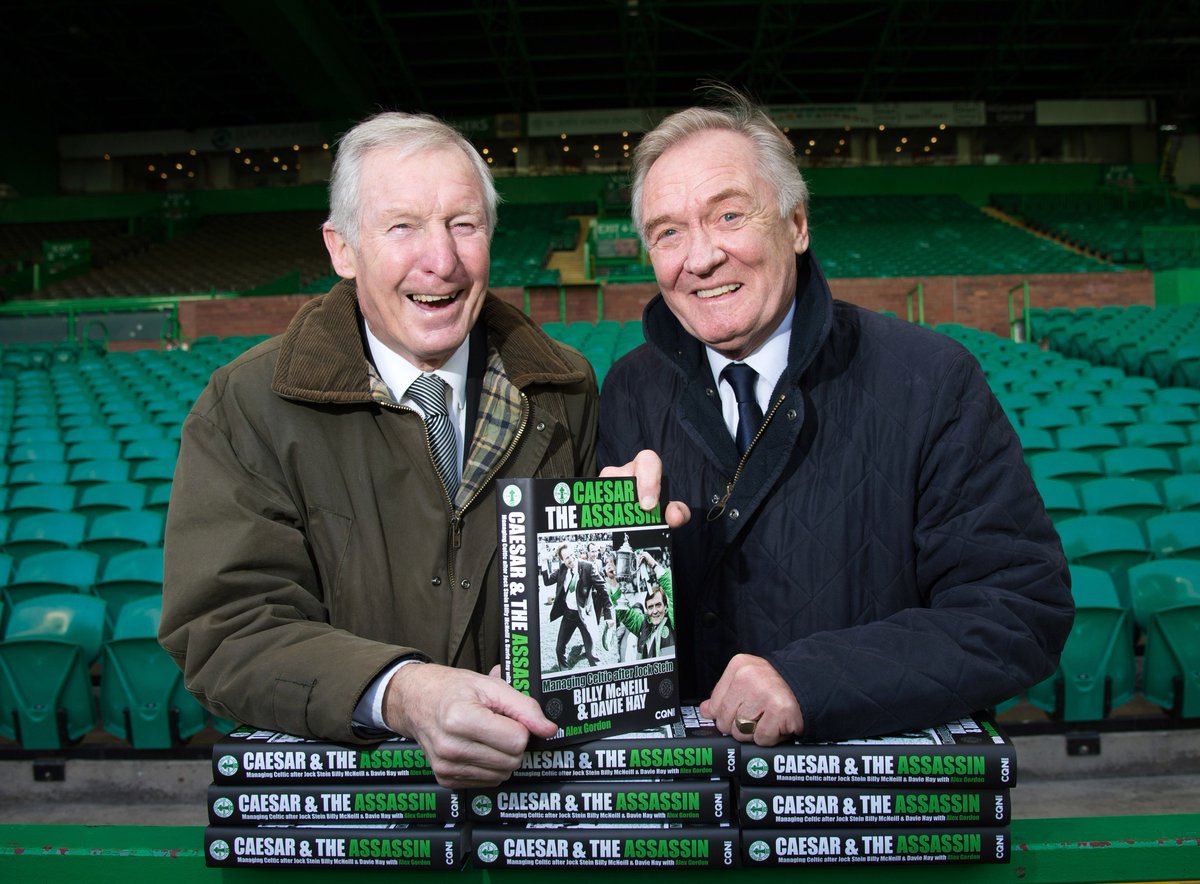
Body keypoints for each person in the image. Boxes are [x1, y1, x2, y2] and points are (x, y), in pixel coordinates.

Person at [158, 110, 674, 789]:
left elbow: (576, 621)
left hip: (533, 796)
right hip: (355, 814)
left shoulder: (565, 389)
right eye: (402, 226)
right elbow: (225, 629)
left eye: (464, 224)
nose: (441, 259)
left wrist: (626, 536)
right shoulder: (248, 404)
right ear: (342, 249)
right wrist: (402, 692)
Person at [597, 87, 1073, 746]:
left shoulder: (930, 379)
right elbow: (614, 631)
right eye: (668, 232)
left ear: (796, 225)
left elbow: (1017, 612)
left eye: (729, 215)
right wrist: (607, 558)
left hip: (865, 809)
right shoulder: (628, 390)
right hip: (688, 809)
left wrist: (811, 682)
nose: (699, 257)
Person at [541, 542, 614, 669]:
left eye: (571, 555)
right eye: (566, 558)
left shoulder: (588, 567)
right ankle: (564, 673)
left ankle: (600, 676)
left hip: (585, 617)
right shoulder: (562, 570)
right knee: (559, 649)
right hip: (569, 615)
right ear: (562, 560)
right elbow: (547, 581)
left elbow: (604, 590)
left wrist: (608, 614)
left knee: (591, 654)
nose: (571, 559)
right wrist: (542, 561)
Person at [637, 585, 675, 660]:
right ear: (647, 610)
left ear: (665, 606)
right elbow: (626, 615)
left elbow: (670, 589)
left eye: (658, 605)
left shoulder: (672, 621)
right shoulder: (643, 625)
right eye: (650, 607)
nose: (654, 611)